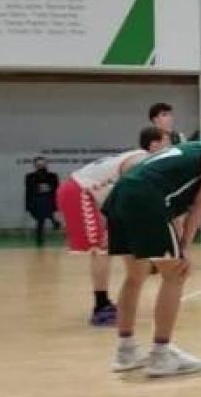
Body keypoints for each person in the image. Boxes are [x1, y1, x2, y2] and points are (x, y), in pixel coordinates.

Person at [106, 107, 201, 378]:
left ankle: (125, 352)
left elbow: (170, 185)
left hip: (121, 194)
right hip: (147, 199)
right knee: (176, 274)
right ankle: (161, 355)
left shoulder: (191, 147)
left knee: (135, 276)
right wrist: (185, 246)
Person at [57, 126, 169, 326]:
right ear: (154, 145)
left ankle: (109, 300)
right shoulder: (141, 159)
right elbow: (128, 193)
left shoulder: (140, 159)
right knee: (101, 249)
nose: (170, 149)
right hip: (80, 192)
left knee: (111, 244)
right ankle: (101, 307)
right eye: (167, 143)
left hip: (91, 195)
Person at [25, 156, 61, 246]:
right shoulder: (30, 176)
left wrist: (42, 188)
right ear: (35, 165)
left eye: (42, 164)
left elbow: (55, 188)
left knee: (41, 218)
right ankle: (53, 221)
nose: (40, 165)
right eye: (38, 164)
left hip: (48, 201)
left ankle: (40, 237)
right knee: (41, 217)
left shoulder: (52, 176)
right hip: (36, 202)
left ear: (46, 164)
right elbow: (31, 190)